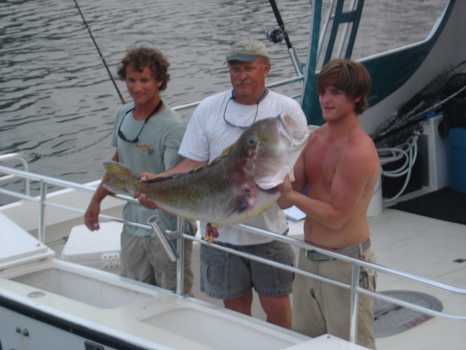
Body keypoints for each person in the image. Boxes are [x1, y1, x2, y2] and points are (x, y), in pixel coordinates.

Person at [137, 39, 308, 328]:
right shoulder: (208, 108)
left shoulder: (286, 110)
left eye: (248, 68)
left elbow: (296, 163)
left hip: (269, 233)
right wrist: (157, 183)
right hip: (220, 235)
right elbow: (191, 164)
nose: (240, 75)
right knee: (235, 310)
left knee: (277, 306)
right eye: (234, 68)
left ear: (265, 68)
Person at [278, 59, 378, 348]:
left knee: (351, 345)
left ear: (357, 97)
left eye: (335, 92)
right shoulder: (314, 138)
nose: (325, 99)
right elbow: (287, 194)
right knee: (306, 342)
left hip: (346, 262)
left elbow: (336, 217)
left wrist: (293, 196)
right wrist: (278, 176)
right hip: (309, 258)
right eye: (322, 92)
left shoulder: (358, 151)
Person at [84, 47, 193, 293]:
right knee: (133, 292)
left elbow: (175, 180)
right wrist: (96, 202)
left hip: (167, 227)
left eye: (144, 80)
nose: (137, 87)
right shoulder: (122, 114)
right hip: (133, 222)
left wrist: (155, 201)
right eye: (131, 80)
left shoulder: (173, 127)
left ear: (160, 82)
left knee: (174, 294)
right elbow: (118, 162)